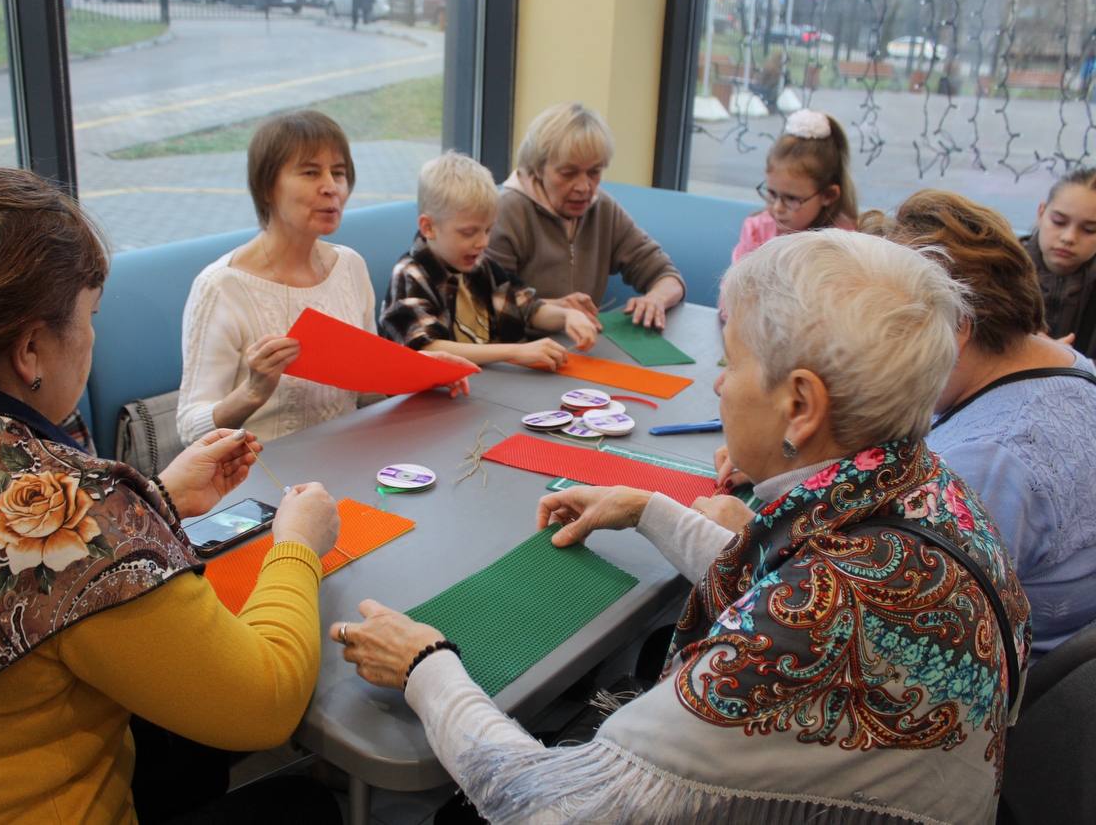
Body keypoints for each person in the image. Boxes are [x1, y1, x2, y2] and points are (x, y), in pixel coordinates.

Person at [332, 230, 1031, 824]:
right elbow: (791, 572)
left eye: (732, 363)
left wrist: (426, 666)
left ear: (800, 406)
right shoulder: (935, 494)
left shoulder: (811, 622)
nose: (720, 385)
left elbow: (543, 803)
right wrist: (648, 507)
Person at [0, 163, 342, 822]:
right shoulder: (69, 509)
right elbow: (266, 700)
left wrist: (155, 499)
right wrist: (297, 543)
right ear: (32, 348)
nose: (93, 337)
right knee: (304, 803)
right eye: (89, 316)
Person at [856, 190, 1096, 660]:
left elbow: (892, 638)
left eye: (890, 331)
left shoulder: (992, 461)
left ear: (954, 328)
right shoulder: (1072, 367)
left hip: (1000, 693)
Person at [177, 110, 469, 447]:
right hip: (259, 474)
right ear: (267, 186)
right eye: (311, 172)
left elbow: (365, 384)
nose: (331, 188)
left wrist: (420, 371)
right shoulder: (221, 286)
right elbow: (189, 430)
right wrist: (253, 392)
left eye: (339, 173)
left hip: (348, 455)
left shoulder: (349, 266)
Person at [379, 151, 597, 372]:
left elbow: (528, 308)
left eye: (488, 230)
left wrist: (568, 315)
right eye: (468, 232)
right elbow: (428, 348)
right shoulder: (410, 274)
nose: (482, 242)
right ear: (429, 227)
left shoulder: (481, 267)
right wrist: (513, 352)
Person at [486, 102, 686, 331]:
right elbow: (488, 303)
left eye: (594, 172)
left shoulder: (603, 208)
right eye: (568, 173)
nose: (584, 187)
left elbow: (667, 275)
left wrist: (656, 299)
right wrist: (555, 309)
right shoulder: (506, 211)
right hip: (516, 352)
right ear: (538, 168)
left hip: (581, 348)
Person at [731, 109, 857, 264]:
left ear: (828, 195)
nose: (777, 208)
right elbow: (735, 286)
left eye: (791, 198)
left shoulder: (845, 241)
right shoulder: (757, 231)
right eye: (772, 193)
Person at [1020, 167, 1096, 358]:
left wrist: (1076, 367)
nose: (1069, 238)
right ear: (1041, 212)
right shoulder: (997, 269)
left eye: (1089, 230)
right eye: (1059, 221)